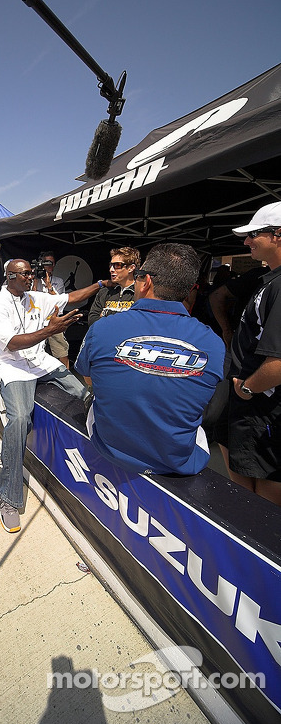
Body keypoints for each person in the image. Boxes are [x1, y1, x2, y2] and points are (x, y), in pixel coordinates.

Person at [75, 244, 225, 476]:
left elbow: (89, 377)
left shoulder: (102, 328)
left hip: (110, 447)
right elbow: (207, 405)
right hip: (177, 461)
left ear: (146, 282)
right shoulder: (214, 343)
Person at [0, 259, 106, 533]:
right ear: (11, 276)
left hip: (41, 362)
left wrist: (100, 284)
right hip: (14, 368)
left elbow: (69, 297)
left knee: (85, 394)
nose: (32, 277)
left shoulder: (35, 296)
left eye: (31, 273)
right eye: (26, 274)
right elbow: (13, 344)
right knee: (18, 421)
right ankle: (8, 498)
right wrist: (51, 330)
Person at [224, 203, 281, 506]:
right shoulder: (268, 280)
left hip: (264, 408)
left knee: (265, 508)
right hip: (253, 407)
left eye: (254, 234)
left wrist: (247, 388)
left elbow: (279, 363)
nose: (246, 242)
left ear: (278, 235)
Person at [32, 250, 70, 367]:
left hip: (53, 320)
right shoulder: (34, 280)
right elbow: (29, 299)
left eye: (51, 263)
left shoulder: (58, 281)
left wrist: (49, 285)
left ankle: (66, 376)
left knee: (61, 351)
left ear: (54, 265)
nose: (48, 266)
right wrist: (35, 280)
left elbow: (59, 302)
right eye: (46, 263)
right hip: (37, 321)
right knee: (35, 351)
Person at [87, 247, 140, 327]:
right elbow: (92, 321)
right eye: (111, 265)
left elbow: (136, 323)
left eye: (117, 265)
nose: (111, 269)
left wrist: (106, 314)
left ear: (131, 268)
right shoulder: (104, 292)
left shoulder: (140, 292)